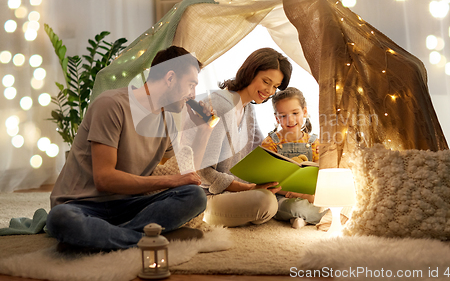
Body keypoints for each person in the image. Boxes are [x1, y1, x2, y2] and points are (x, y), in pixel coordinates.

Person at [47, 46, 214, 251]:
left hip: (128, 206)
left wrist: (205, 130)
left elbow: (186, 175)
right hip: (82, 205)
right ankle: (149, 238)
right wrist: (173, 180)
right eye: (190, 85)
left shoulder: (167, 121)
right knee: (60, 219)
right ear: (170, 78)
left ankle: (103, 239)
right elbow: (104, 179)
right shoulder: (111, 105)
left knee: (195, 195)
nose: (193, 94)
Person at [182, 47, 293, 227]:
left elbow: (263, 150)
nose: (270, 91)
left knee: (277, 194)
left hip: (233, 192)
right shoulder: (220, 105)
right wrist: (249, 188)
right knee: (266, 203)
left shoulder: (248, 108)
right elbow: (202, 172)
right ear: (250, 72)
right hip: (205, 196)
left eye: (275, 86)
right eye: (266, 81)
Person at [261, 87, 326, 229]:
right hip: (282, 196)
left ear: (305, 112)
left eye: (295, 113)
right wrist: (295, 194)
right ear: (276, 118)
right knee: (292, 206)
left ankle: (302, 218)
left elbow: (318, 175)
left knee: (331, 203)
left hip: (309, 196)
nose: (290, 120)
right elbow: (268, 181)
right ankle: (303, 216)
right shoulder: (270, 143)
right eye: (283, 116)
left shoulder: (314, 142)